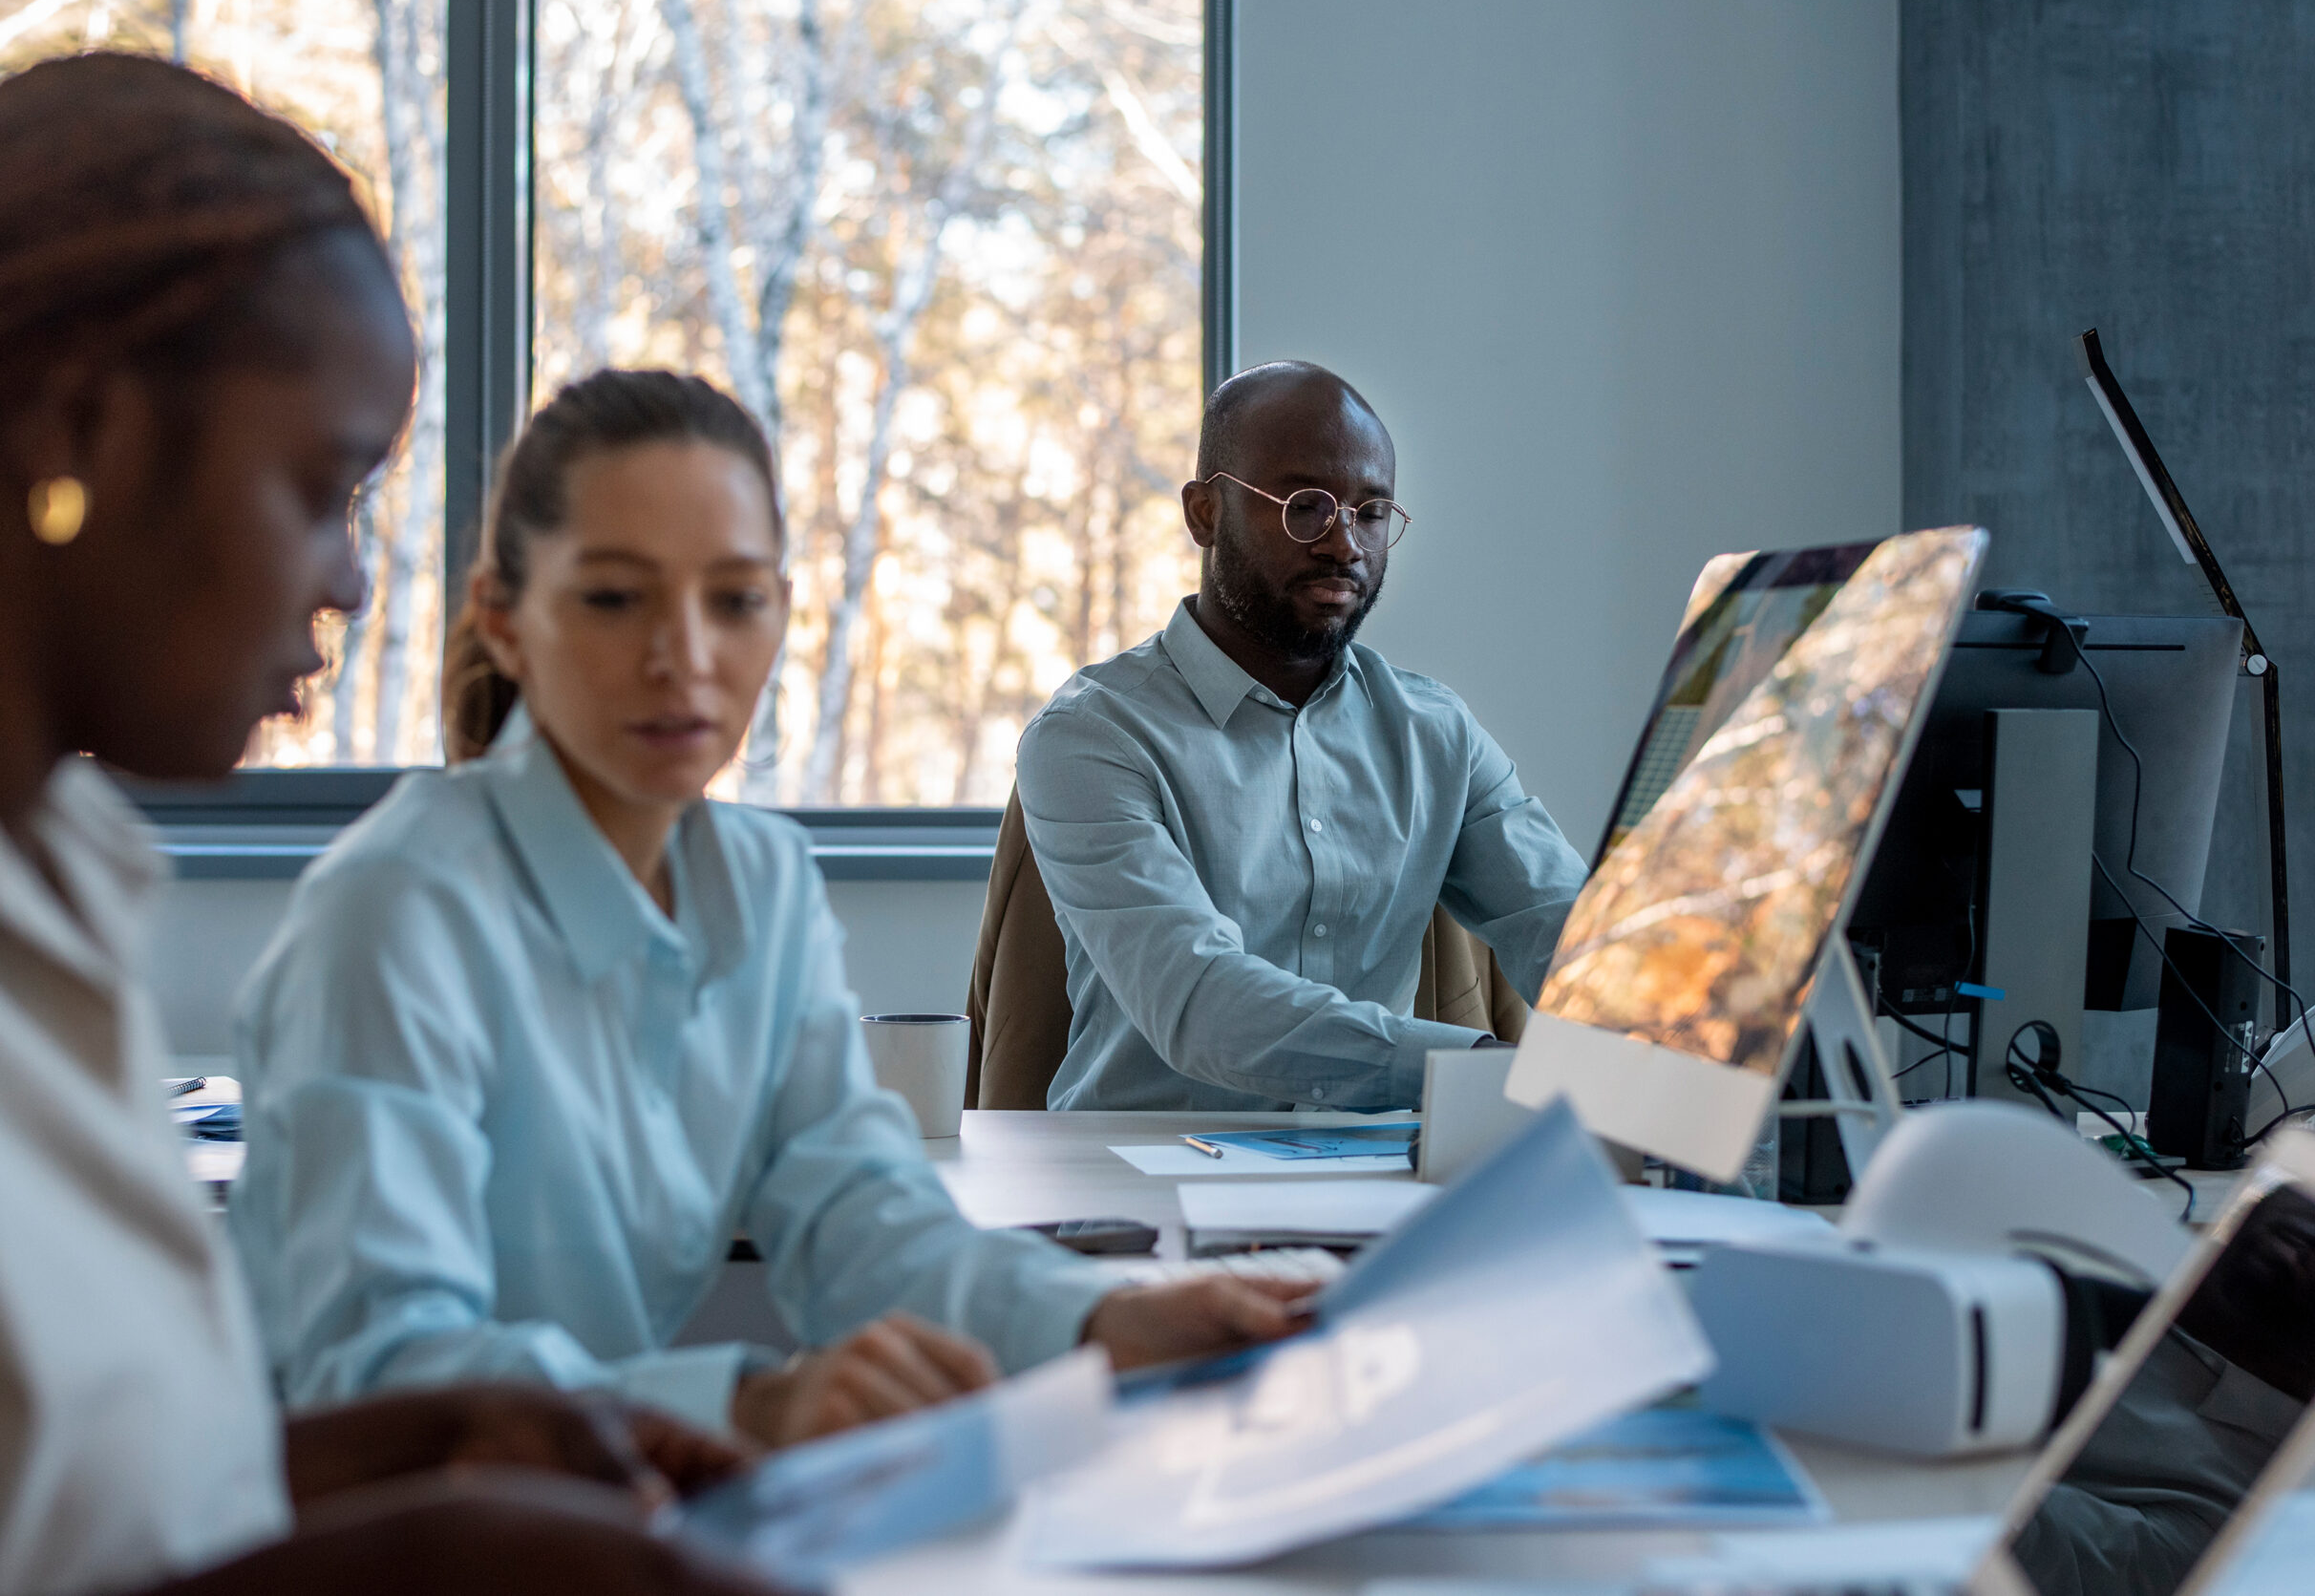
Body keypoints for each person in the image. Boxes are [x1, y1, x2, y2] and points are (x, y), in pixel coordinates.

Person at [0, 52, 771, 1596]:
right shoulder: (386, 897)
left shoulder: (65, 872)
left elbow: (74, 1495)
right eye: (323, 485)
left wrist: (387, 1455)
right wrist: (439, 1549)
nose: (351, 580)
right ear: (83, 432)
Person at [227, 368, 1311, 1449]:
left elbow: (863, 1222)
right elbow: (378, 1367)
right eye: (614, 598)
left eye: (735, 600)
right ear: (504, 623)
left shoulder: (759, 883)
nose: (684, 660)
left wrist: (1109, 1320)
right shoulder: (393, 910)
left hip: (602, 1517)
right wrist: (744, 1405)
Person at [1016, 361, 1588, 1110]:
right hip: (1143, 1188)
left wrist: (1706, 1048)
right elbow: (1202, 1006)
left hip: (1373, 1182)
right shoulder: (1092, 734)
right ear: (1204, 514)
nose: (1345, 544)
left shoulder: (1435, 733)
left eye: (1372, 510)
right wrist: (1491, 1071)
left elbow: (1573, 939)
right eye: (1305, 506)